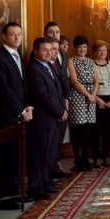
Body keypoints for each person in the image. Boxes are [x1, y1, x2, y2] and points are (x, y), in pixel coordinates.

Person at [0, 22, 33, 210]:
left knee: (15, 156)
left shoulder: (18, 57)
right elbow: (3, 89)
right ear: (3, 36)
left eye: (19, 34)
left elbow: (23, 85)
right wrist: (20, 111)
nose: (16, 38)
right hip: (5, 116)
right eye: (12, 34)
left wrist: (28, 106)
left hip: (19, 115)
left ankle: (14, 193)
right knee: (5, 157)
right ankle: (3, 198)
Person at [26, 37, 68, 200]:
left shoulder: (49, 66)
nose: (48, 52)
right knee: (40, 154)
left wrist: (62, 109)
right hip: (43, 118)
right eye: (44, 50)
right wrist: (60, 111)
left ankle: (46, 182)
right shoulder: (34, 70)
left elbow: (57, 91)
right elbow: (42, 96)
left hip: (53, 117)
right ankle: (36, 188)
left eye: (50, 50)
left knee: (50, 152)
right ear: (36, 51)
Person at [67, 35, 99, 171]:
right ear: (75, 48)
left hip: (91, 96)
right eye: (80, 47)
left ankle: (86, 158)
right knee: (78, 128)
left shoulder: (91, 61)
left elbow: (96, 81)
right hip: (78, 95)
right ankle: (78, 159)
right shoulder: (71, 60)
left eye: (85, 47)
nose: (82, 49)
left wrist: (92, 95)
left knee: (88, 129)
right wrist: (87, 95)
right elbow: (74, 81)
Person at [44, 22, 71, 178]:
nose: (54, 35)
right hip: (52, 105)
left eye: (57, 32)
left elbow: (63, 79)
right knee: (51, 141)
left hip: (63, 102)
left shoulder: (62, 53)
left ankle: (56, 165)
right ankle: (52, 169)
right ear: (45, 34)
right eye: (51, 32)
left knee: (59, 138)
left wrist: (67, 97)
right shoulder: (45, 53)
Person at [91, 40, 110, 167]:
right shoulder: (91, 64)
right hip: (97, 98)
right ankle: (96, 157)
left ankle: (106, 156)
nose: (102, 52)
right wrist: (97, 98)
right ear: (95, 52)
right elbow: (89, 84)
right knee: (95, 130)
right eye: (100, 50)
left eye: (105, 50)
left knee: (108, 130)